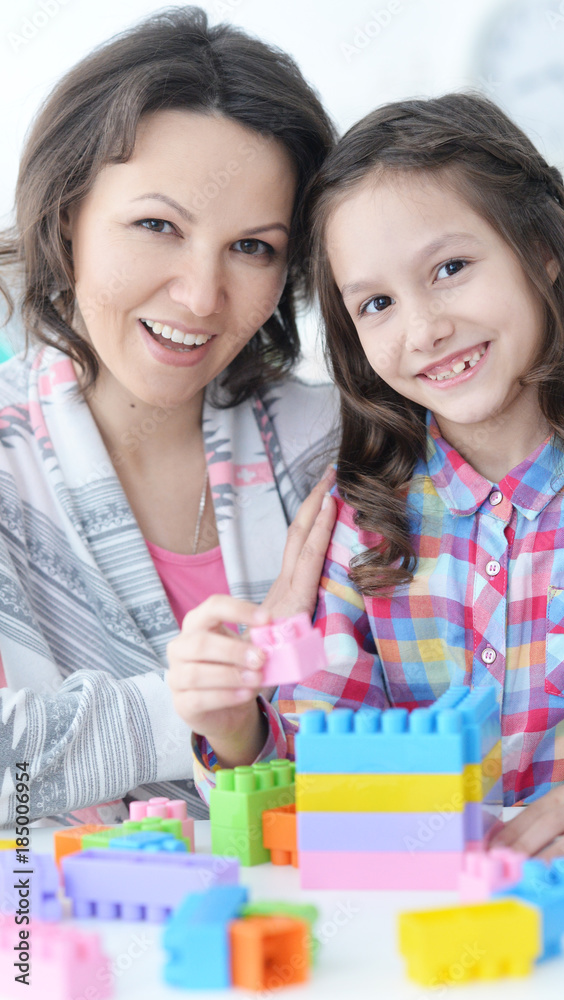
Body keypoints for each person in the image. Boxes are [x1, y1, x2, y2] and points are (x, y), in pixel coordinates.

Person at [182, 93, 564, 859]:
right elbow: (319, 775)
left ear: (540, 249)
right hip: (427, 937)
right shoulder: (362, 524)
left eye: (450, 268)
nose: (423, 328)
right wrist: (237, 730)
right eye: (376, 302)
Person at [0, 7, 339, 827]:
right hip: (51, 944)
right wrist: (195, 702)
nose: (200, 295)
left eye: (252, 247)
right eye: (158, 226)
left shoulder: (340, 448)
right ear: (68, 215)